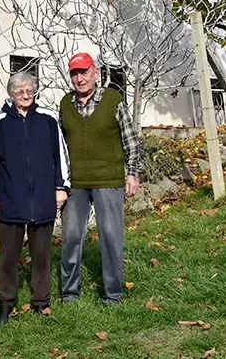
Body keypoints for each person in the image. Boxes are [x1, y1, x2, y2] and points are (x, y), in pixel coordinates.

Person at [0, 71, 70, 325]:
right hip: (10, 198)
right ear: (11, 94)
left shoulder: (48, 119)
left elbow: (60, 155)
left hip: (42, 198)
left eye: (29, 90)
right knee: (8, 255)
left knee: (41, 255)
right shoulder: (1, 121)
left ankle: (41, 302)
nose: (25, 95)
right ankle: (5, 303)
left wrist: (61, 186)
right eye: (20, 91)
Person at [59, 52, 142, 305]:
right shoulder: (65, 104)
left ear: (95, 72)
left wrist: (133, 173)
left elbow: (130, 140)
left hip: (109, 180)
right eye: (74, 73)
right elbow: (59, 145)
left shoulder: (113, 100)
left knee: (110, 235)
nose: (79, 78)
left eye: (84, 72)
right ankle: (69, 293)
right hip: (76, 183)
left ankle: (113, 294)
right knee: (71, 236)